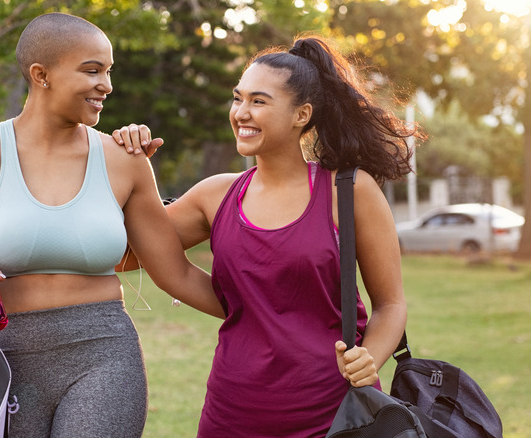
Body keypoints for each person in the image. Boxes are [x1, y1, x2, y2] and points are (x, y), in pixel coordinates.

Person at [0, 12, 224, 438]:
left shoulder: (125, 159)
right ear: (41, 74)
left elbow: (175, 272)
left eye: (108, 71)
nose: (106, 84)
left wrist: (265, 314)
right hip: (2, 355)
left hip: (104, 355)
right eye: (92, 71)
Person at [113, 35, 418, 436]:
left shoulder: (350, 191)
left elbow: (391, 305)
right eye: (238, 98)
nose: (241, 112)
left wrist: (370, 358)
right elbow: (125, 256)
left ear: (301, 114)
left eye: (259, 101)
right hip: (233, 412)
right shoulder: (214, 195)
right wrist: (129, 173)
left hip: (337, 413)